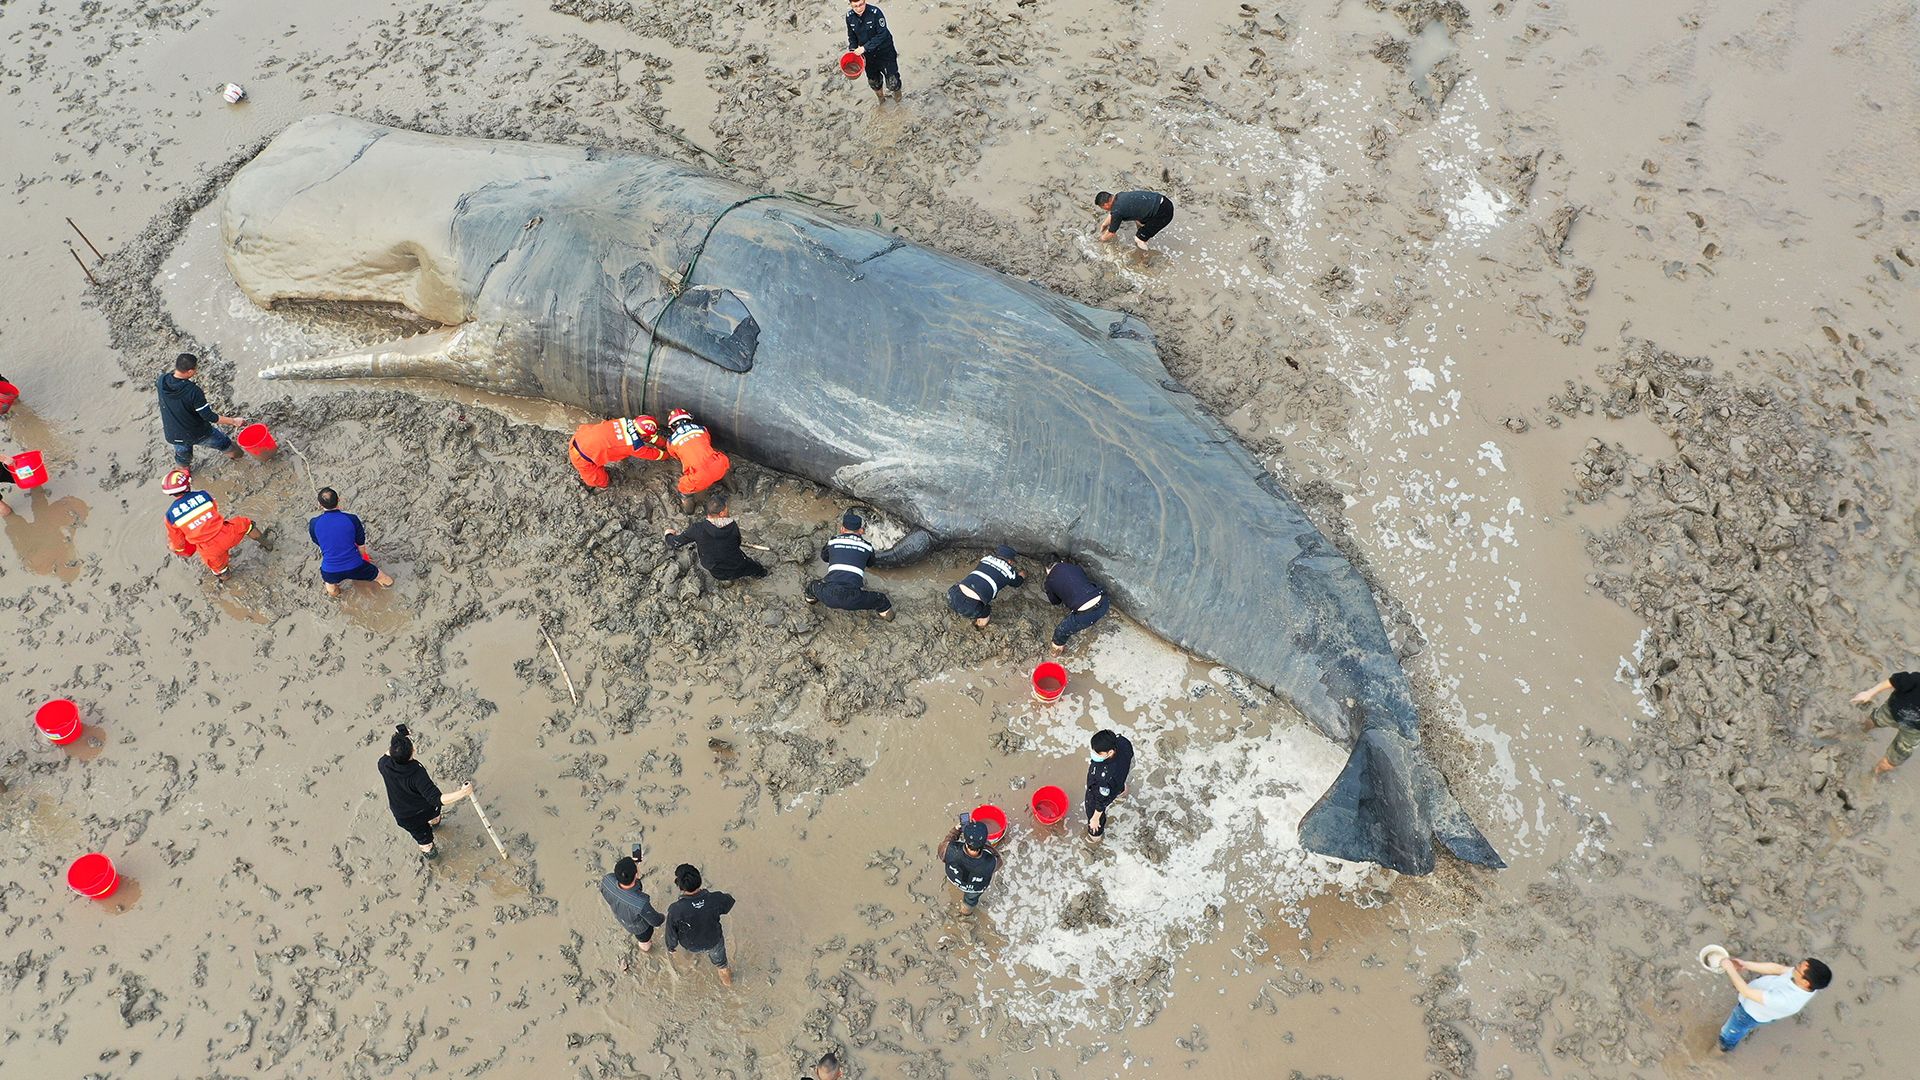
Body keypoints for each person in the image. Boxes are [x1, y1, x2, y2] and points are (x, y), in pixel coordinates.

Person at [377, 725, 472, 858]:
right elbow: (437, 799)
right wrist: (463, 792)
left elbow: (391, 751)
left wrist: (402, 735)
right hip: (424, 808)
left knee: (424, 841)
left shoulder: (383, 764)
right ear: (413, 751)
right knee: (432, 824)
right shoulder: (417, 774)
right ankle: (435, 844)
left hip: (403, 815)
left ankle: (431, 848)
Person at [162, 468, 269, 576]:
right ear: (188, 485)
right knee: (246, 524)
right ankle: (267, 544)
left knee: (220, 569)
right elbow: (214, 510)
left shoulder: (170, 516)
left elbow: (178, 542)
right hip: (227, 533)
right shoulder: (203, 495)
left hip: (209, 549)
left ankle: (226, 580)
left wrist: (179, 549)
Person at [1716, 955, 1831, 1052]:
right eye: (1799, 964)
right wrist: (1744, 964)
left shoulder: (1786, 1000)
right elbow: (1778, 969)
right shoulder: (1802, 979)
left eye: (1797, 969)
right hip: (1758, 1003)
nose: (1794, 968)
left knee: (1729, 1034)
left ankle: (1722, 1050)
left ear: (1805, 982)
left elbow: (1746, 991)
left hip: (1749, 1014)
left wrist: (1729, 968)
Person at [157, 353, 247, 466]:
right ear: (189, 372)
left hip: (174, 434)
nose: (196, 371)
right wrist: (234, 421)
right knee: (226, 445)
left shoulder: (161, 380)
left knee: (183, 457)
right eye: (196, 369)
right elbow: (209, 416)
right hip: (197, 433)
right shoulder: (193, 391)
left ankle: (183, 470)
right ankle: (241, 459)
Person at [804, 511, 893, 620]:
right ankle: (889, 617)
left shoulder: (833, 541)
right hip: (854, 598)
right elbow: (870, 564)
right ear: (861, 531)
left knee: (811, 587)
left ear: (842, 529)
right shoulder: (868, 547)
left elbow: (824, 557)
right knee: (881, 600)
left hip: (829, 595)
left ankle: (811, 601)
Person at [308, 487, 395, 597]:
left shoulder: (314, 523)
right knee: (386, 580)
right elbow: (361, 544)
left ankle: (337, 597)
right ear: (339, 500)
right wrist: (365, 558)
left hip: (330, 570)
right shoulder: (352, 519)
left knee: (330, 588)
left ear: (320, 505)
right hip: (355, 565)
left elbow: (317, 542)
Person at [664, 493, 767, 582]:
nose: (728, 510)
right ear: (721, 513)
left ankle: (727, 581)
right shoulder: (732, 526)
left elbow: (675, 542)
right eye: (727, 508)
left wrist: (668, 534)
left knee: (724, 575)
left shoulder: (697, 529)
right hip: (737, 565)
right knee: (757, 569)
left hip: (716, 571)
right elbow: (737, 543)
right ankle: (763, 574)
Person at [664, 863, 737, 986]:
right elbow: (729, 901)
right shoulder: (715, 899)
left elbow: (671, 933)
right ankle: (728, 985)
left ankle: (693, 960)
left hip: (690, 944)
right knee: (721, 965)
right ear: (700, 880)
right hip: (714, 941)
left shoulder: (675, 910)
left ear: (680, 887)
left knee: (691, 948)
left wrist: (671, 948)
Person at [661, 408, 731, 514]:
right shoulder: (702, 429)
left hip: (698, 478)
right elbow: (707, 441)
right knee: (723, 464)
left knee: (683, 489)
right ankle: (732, 488)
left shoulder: (671, 442)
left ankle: (689, 511)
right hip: (718, 466)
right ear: (689, 420)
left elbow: (675, 456)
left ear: (672, 427)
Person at [570, 415, 664, 489]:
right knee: (602, 481)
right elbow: (654, 455)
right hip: (582, 458)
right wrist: (668, 455)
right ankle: (599, 486)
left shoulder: (622, 421)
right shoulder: (634, 446)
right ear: (643, 436)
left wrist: (662, 443)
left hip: (580, 437)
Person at [600, 850, 666, 955]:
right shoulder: (641, 902)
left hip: (620, 916)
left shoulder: (607, 880)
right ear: (636, 875)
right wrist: (663, 917)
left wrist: (634, 864)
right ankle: (646, 951)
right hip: (639, 928)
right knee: (644, 941)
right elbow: (655, 921)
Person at [1851, 673, 1920, 774]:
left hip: (1914, 731)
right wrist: (1869, 693)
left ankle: (1873, 775)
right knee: (1870, 722)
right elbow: (1892, 681)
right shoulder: (1916, 679)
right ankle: (1857, 733)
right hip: (1891, 712)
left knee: (1892, 761)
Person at [947, 544, 1025, 628]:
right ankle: (979, 627)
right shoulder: (1010, 572)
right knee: (986, 611)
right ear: (1010, 561)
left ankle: (959, 609)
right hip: (970, 608)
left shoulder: (986, 558)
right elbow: (1018, 583)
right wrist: (1022, 574)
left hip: (952, 595)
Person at [1043, 558, 1110, 653]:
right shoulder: (1074, 567)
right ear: (1060, 562)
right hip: (1104, 602)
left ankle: (1055, 652)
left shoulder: (1049, 581)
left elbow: (1055, 601)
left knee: (1060, 632)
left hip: (1086, 615)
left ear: (1047, 569)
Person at [845, 0, 902, 104]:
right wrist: (852, 50)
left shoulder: (875, 13)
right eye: (855, 6)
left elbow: (882, 34)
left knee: (893, 82)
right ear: (851, 5)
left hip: (885, 52)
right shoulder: (849, 17)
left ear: (865, 1)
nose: (859, 9)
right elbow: (852, 36)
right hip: (868, 57)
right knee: (874, 82)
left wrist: (864, 47)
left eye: (861, 4)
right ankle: (881, 100)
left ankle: (899, 99)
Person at [1084, 728, 1135, 841]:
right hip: (1121, 776)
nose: (1093, 753)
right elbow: (1130, 761)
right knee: (1120, 784)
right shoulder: (1122, 742)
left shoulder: (1104, 777)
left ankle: (1095, 839)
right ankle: (1122, 795)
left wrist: (1095, 819)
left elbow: (1101, 801)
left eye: (1097, 752)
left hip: (1104, 790)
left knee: (1094, 816)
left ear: (1110, 752)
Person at [941, 818, 999, 914]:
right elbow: (998, 860)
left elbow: (946, 843)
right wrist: (986, 846)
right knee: (970, 901)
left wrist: (955, 830)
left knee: (956, 882)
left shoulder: (949, 849)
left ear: (965, 840)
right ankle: (965, 913)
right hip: (974, 888)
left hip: (954, 878)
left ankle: (956, 887)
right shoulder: (990, 862)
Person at [1094, 190, 1176, 252]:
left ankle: (1145, 257)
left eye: (1102, 207)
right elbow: (1113, 213)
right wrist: (1104, 224)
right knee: (1137, 219)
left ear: (1105, 205)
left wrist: (1101, 240)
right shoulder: (1120, 196)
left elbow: (1111, 232)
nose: (1104, 209)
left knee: (1138, 239)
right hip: (1162, 200)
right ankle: (1144, 232)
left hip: (1163, 213)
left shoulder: (1117, 211)